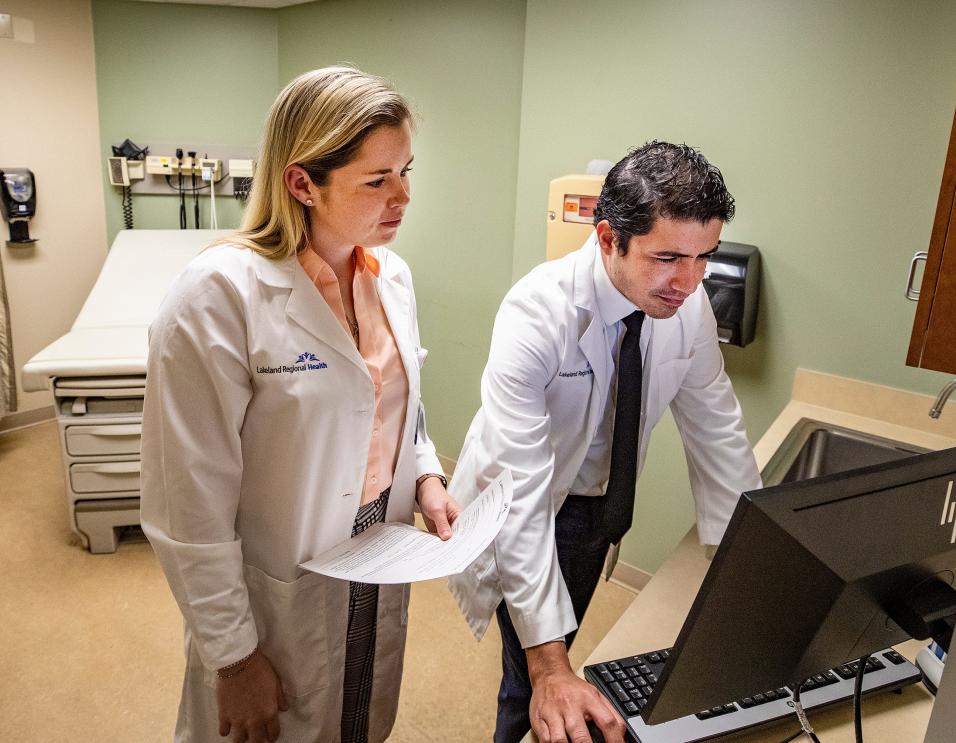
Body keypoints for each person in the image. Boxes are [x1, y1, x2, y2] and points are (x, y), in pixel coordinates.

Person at [140, 66, 459, 743]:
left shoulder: (389, 275)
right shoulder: (217, 297)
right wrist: (232, 654)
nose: (403, 195)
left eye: (406, 170)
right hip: (284, 568)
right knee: (277, 720)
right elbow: (185, 502)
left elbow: (395, 402)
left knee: (357, 712)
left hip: (380, 548)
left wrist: (426, 474)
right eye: (377, 180)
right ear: (301, 182)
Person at [447, 141, 763, 743]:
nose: (689, 281)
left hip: (603, 504)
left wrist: (741, 567)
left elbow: (716, 427)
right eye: (667, 257)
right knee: (535, 680)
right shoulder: (537, 315)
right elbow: (522, 494)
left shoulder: (687, 306)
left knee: (559, 652)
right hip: (534, 504)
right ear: (608, 238)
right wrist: (549, 665)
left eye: (704, 257)